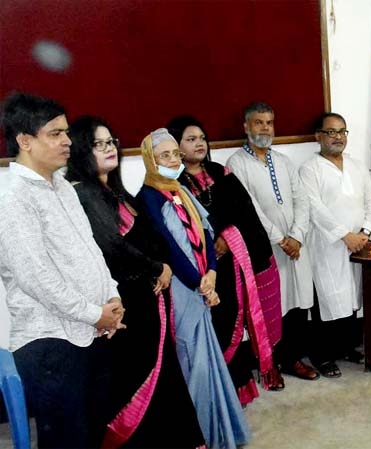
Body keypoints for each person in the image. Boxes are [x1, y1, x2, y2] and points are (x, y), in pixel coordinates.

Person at [66, 116, 206, 448]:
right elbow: (111, 248)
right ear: (82, 150)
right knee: (136, 381)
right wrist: (157, 267)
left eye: (111, 141)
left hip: (149, 296)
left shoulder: (115, 191)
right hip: (127, 303)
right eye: (98, 144)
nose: (108, 149)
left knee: (163, 377)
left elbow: (153, 237)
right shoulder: (82, 194)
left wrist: (163, 266)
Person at [0, 93, 125, 448]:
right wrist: (95, 314)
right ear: (25, 140)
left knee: (94, 430)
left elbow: (91, 251)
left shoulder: (64, 189)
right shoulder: (13, 200)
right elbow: (35, 277)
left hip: (91, 331)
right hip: (50, 342)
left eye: (66, 132)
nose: (68, 141)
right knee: (68, 439)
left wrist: (111, 296)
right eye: (55, 133)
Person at [136, 128, 249, 449]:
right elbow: (168, 247)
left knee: (208, 358)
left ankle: (221, 431)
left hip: (202, 284)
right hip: (183, 292)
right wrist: (200, 283)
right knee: (191, 361)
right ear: (150, 160)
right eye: (166, 156)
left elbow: (206, 230)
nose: (175, 160)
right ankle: (199, 436)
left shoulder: (181, 190)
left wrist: (212, 271)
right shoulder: (148, 198)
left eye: (176, 154)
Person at [169, 115, 285, 401]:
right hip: (198, 272)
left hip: (232, 266)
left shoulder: (221, 173)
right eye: (191, 139)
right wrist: (210, 244)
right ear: (177, 147)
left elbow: (245, 212)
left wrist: (227, 238)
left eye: (202, 138)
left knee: (234, 320)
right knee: (212, 326)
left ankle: (238, 386)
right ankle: (213, 392)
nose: (199, 144)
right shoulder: (172, 184)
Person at [226, 102, 319, 382]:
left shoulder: (283, 161)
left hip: (294, 246)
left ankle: (292, 359)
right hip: (267, 248)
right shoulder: (235, 164)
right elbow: (249, 209)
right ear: (246, 126)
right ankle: (270, 365)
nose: (265, 128)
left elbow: (301, 199)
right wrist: (280, 239)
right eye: (258, 122)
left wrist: (297, 235)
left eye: (269, 123)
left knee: (297, 305)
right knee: (271, 306)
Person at [299, 112, 371, 378]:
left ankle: (345, 348)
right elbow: (314, 208)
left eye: (342, 131)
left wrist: (365, 232)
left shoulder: (356, 165)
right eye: (331, 132)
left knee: (351, 297)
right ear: (318, 136)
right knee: (328, 298)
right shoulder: (309, 168)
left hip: (358, 244)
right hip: (327, 244)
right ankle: (322, 356)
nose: (338, 137)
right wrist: (345, 235)